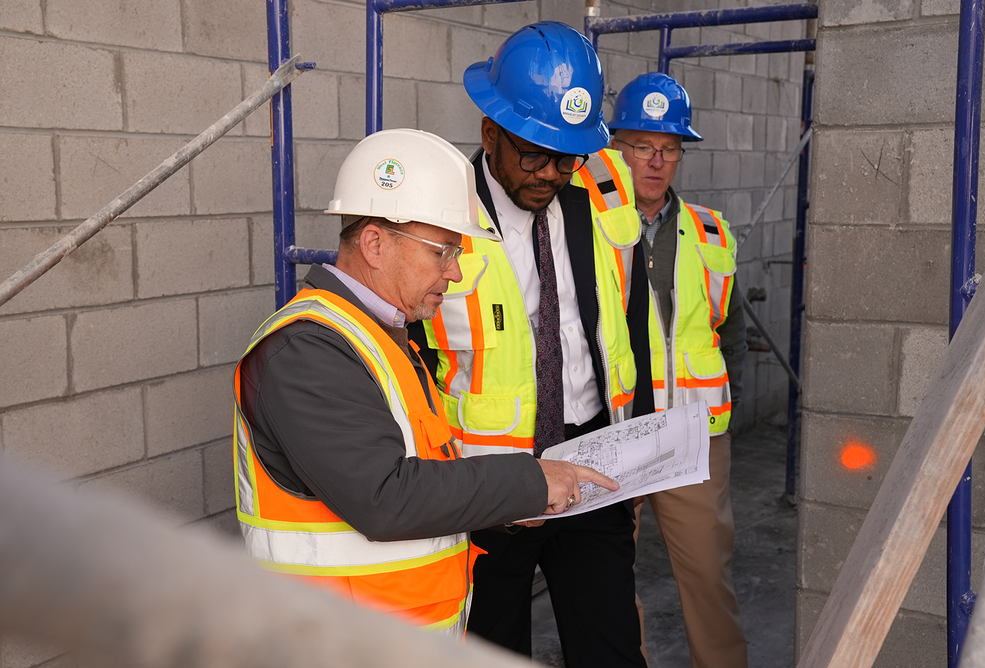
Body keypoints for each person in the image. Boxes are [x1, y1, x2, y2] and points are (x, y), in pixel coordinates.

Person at [232, 127, 620, 639]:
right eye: (444, 252)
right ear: (374, 243)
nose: (456, 274)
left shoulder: (383, 338)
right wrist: (530, 481)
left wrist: (515, 502)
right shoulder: (307, 351)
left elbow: (428, 471)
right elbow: (385, 496)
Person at [409, 22, 653, 667]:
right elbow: (409, 359)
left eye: (567, 157)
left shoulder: (597, 192)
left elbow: (629, 318)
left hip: (594, 456)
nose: (553, 173)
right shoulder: (438, 217)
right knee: (492, 645)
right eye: (535, 155)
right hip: (487, 477)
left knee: (610, 645)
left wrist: (646, 436)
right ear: (490, 132)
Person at [609, 72, 749, 668]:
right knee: (608, 580)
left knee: (708, 578)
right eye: (642, 146)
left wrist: (722, 409)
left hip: (694, 436)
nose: (656, 161)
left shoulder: (711, 231)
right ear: (615, 149)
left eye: (668, 149)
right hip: (614, 433)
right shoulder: (585, 225)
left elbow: (733, 331)